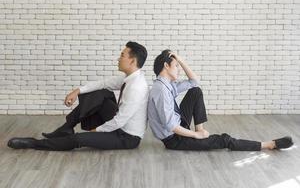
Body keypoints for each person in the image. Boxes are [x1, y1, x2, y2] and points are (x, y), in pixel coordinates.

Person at [8, 41, 149, 151]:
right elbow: (104, 83)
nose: (118, 58)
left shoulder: (136, 87)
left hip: (126, 137)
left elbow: (119, 121)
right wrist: (77, 91)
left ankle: (35, 143)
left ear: (132, 61)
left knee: (78, 140)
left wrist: (96, 131)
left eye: (122, 55)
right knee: (100, 92)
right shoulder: (130, 77)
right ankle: (67, 127)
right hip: (120, 124)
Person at [147, 49, 293, 151]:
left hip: (178, 124)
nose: (179, 69)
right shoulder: (160, 90)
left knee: (195, 91)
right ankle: (267, 145)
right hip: (174, 139)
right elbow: (171, 126)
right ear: (166, 66)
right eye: (177, 66)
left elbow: (194, 82)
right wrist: (195, 135)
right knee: (224, 140)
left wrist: (181, 60)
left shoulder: (167, 85)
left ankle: (201, 130)